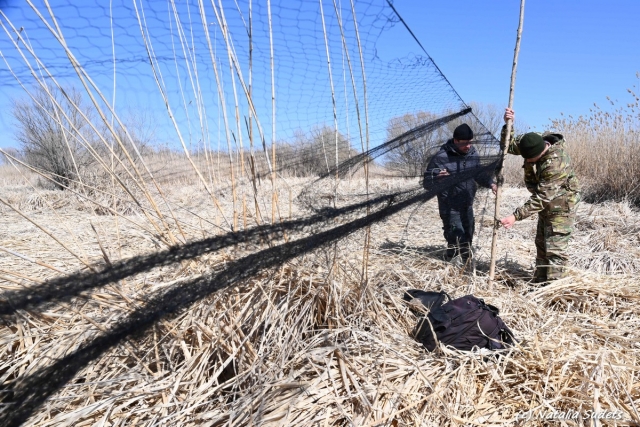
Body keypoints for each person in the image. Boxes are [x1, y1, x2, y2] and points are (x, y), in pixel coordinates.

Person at [499, 108, 580, 284]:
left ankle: (555, 291)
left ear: (541, 152)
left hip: (561, 207)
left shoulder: (556, 163)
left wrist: (515, 216)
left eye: (531, 160)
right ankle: (540, 283)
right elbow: (508, 145)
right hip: (546, 206)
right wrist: (508, 125)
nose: (527, 162)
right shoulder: (531, 141)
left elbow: (543, 197)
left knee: (555, 250)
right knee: (542, 245)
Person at [424, 123, 497, 264]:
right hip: (450, 206)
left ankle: (465, 264)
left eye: (470, 142)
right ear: (456, 141)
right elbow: (427, 183)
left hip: (467, 204)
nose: (468, 146)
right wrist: (438, 178)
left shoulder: (473, 154)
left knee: (468, 235)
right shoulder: (441, 157)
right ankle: (451, 263)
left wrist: (491, 183)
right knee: (456, 237)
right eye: (465, 143)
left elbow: (479, 174)